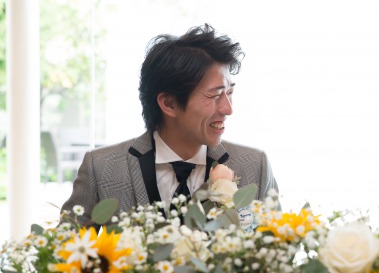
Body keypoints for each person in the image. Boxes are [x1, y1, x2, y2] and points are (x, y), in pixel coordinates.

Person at [60, 24, 278, 224]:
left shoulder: (254, 167)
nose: (228, 109)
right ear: (169, 103)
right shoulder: (101, 168)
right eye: (214, 95)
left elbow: (277, 247)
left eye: (229, 93)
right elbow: (64, 250)